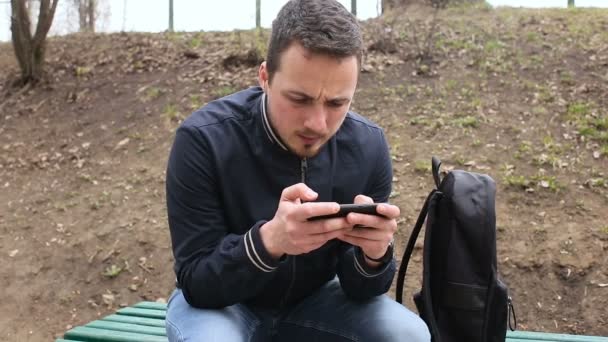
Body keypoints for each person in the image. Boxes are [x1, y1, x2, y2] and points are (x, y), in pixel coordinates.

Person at [164, 0, 430, 341]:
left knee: (408, 334)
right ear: (264, 77)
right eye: (299, 99)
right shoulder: (203, 140)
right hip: (222, 307)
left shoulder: (368, 145)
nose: (317, 124)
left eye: (337, 103)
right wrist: (269, 242)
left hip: (318, 300)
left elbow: (363, 290)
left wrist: (375, 255)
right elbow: (197, 282)